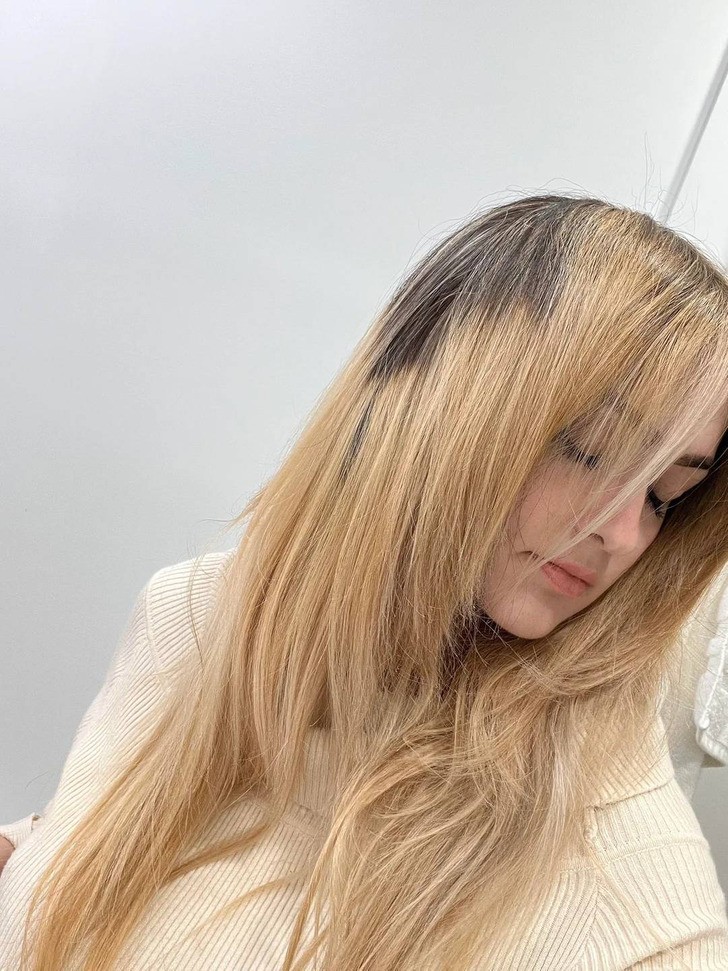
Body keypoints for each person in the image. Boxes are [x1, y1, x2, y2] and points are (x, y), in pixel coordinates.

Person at [2, 192, 728, 970]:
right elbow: (107, 847)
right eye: (590, 448)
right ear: (429, 398)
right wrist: (30, 851)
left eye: (666, 497)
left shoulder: (635, 899)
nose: (626, 534)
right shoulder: (195, 611)